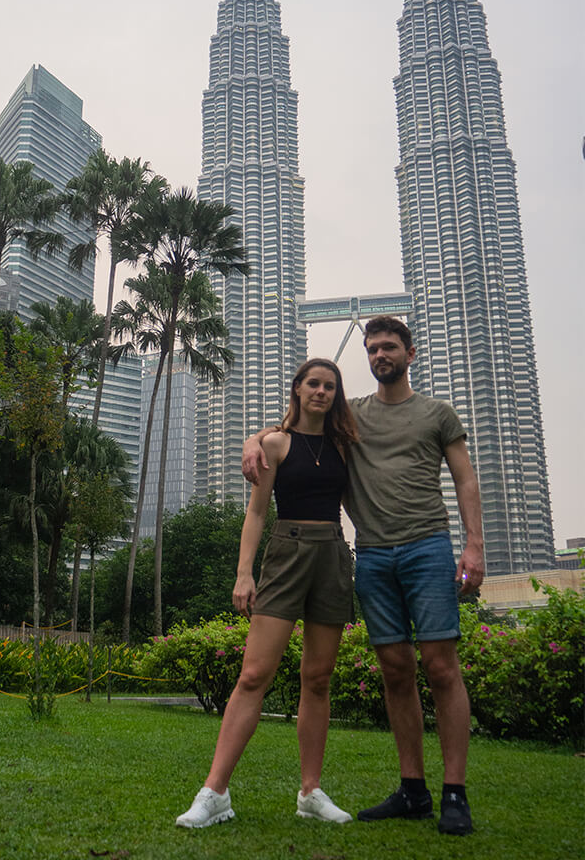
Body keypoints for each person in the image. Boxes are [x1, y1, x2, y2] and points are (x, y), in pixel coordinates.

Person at [242, 316, 484, 837]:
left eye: (389, 347)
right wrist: (254, 437)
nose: (380, 355)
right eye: (373, 348)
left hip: (427, 549)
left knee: (441, 668)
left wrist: (474, 545)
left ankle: (454, 792)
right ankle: (413, 790)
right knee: (396, 670)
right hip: (372, 555)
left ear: (410, 354)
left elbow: (465, 478)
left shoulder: (438, 413)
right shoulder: (355, 419)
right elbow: (297, 431)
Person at [176, 358, 359, 829]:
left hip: (333, 556)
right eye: (313, 384)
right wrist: (244, 573)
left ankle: (310, 792)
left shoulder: (345, 443)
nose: (321, 392)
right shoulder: (275, 444)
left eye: (329, 387)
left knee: (317, 678)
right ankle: (214, 791)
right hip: (286, 552)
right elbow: (257, 513)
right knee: (254, 673)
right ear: (297, 389)